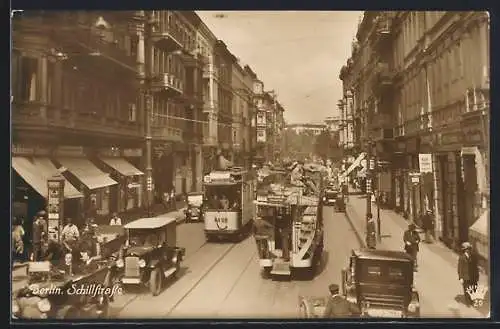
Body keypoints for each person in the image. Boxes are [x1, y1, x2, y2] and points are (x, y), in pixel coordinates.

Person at [458, 242, 480, 306]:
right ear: (465, 250)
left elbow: (475, 266)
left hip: (472, 276)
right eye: (468, 249)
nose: (470, 250)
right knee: (467, 289)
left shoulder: (473, 256)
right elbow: (460, 268)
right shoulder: (461, 257)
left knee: (473, 288)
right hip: (465, 276)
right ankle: (468, 303)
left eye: (470, 249)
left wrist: (477, 275)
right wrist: (460, 277)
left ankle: (472, 300)